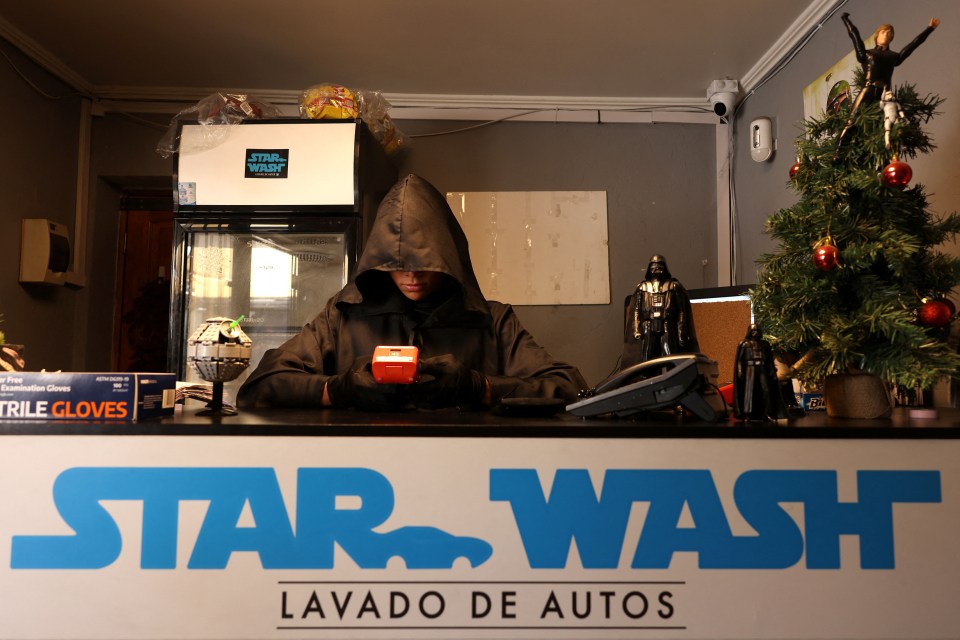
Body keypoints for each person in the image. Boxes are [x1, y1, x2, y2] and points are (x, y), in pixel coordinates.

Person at [237, 174, 587, 410]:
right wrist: (339, 389)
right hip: (364, 471)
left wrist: (478, 387)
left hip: (471, 474)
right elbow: (260, 388)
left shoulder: (493, 320)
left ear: (448, 262)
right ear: (380, 262)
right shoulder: (342, 316)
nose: (411, 276)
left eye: (426, 264)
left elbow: (569, 387)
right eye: (397, 265)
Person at [835, 13, 939, 155]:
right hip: (868, 89)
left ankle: (880, 154)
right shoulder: (867, 54)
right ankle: (837, 151)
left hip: (885, 95)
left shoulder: (894, 57)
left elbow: (913, 45)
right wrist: (846, 20)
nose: (886, 34)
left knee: (884, 126)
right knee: (852, 120)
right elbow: (855, 36)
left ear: (892, 38)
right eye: (883, 32)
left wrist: (930, 28)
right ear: (877, 36)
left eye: (889, 33)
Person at [620, 255, 699, 369]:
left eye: (659, 265)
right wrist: (637, 328)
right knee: (647, 361)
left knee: (671, 360)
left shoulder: (673, 286)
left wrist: (681, 330)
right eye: (653, 265)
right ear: (649, 268)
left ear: (665, 267)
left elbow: (682, 310)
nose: (656, 268)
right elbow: (636, 311)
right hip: (649, 325)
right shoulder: (642, 288)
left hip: (668, 325)